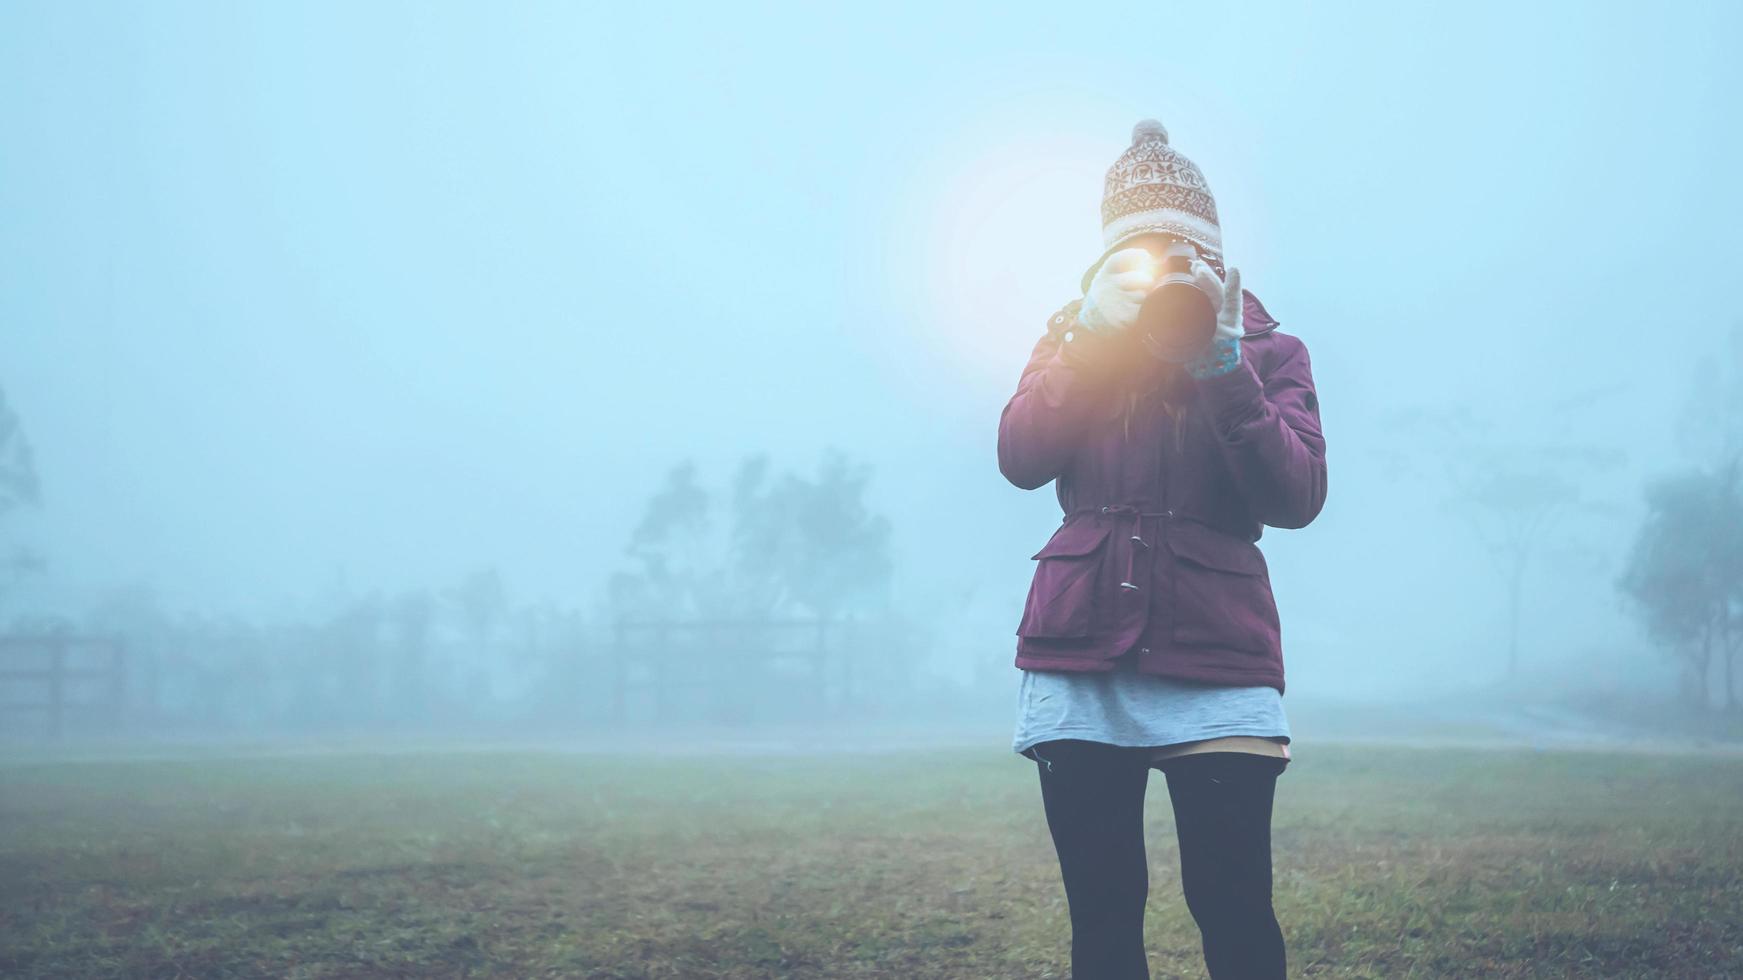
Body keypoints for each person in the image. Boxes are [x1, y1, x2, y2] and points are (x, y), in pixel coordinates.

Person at [997, 118, 1328, 980]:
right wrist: (1093, 343)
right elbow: (1021, 457)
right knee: (1102, 916)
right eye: (1138, 257)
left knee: (1233, 905)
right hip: (1079, 657)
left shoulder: (1269, 351)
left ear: (1215, 259)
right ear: (1104, 265)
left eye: (1183, 255)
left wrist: (1224, 368)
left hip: (1218, 657)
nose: (1163, 275)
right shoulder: (1071, 336)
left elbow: (1295, 498)